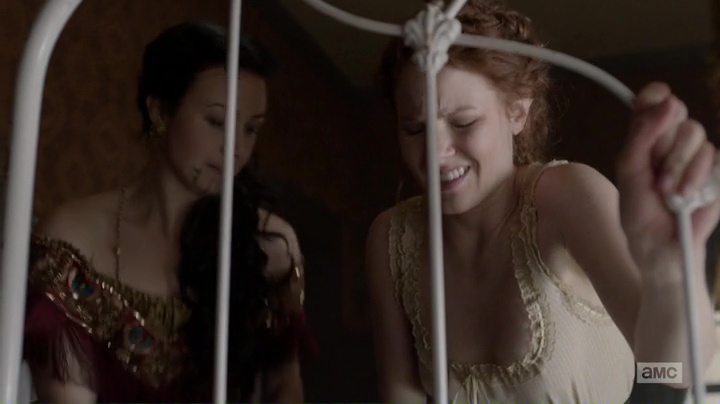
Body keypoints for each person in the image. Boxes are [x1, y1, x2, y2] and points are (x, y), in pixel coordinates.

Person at [366, 0, 719, 403]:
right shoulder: (391, 239)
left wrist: (669, 268)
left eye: (464, 122)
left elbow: (673, 371)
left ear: (517, 111)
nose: (435, 152)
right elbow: (401, 394)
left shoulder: (568, 197)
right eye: (414, 129)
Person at [23, 21, 309, 404]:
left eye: (251, 129)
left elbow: (285, 387)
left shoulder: (269, 243)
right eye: (217, 122)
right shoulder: (73, 239)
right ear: (159, 111)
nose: (236, 148)